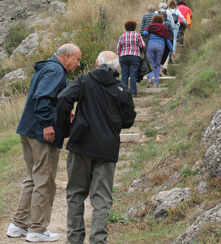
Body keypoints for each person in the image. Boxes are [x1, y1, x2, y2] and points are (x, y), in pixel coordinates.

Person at [56, 51, 136, 244]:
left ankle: (74, 239)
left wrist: (67, 128)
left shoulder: (83, 81)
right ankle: (98, 240)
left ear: (96, 63)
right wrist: (113, 125)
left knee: (75, 194)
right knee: (102, 199)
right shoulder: (122, 89)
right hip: (107, 149)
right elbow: (129, 120)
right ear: (116, 67)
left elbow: (63, 99)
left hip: (81, 144)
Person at [6, 44, 82, 243]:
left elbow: (49, 99)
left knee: (32, 178)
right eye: (77, 60)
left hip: (28, 130)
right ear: (67, 56)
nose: (78, 64)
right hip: (41, 133)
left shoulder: (47, 68)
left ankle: (18, 225)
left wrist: (62, 112)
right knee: (44, 181)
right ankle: (37, 229)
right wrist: (48, 124)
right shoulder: (56, 70)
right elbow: (42, 98)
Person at [143, 14, 175, 87]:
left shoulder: (151, 26)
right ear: (161, 20)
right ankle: (156, 83)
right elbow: (168, 41)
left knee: (150, 64)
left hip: (150, 45)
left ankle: (150, 78)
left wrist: (148, 34)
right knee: (158, 64)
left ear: (153, 19)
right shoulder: (164, 28)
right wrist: (172, 51)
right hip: (160, 45)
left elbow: (145, 33)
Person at [117, 20, 146, 98]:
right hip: (134, 56)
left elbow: (118, 48)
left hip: (123, 56)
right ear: (134, 27)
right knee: (133, 75)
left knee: (124, 75)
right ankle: (133, 93)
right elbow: (143, 45)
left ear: (126, 28)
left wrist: (119, 57)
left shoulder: (122, 36)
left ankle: (124, 94)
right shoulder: (137, 35)